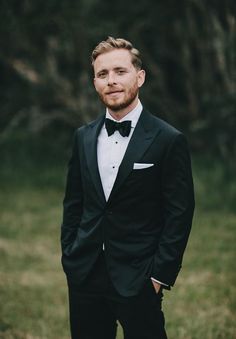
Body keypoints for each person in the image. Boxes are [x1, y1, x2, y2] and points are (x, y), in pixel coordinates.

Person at [61, 36, 195, 339]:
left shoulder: (168, 139)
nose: (111, 81)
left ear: (140, 76)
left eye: (120, 71)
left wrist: (160, 274)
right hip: (85, 271)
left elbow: (180, 212)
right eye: (102, 74)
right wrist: (70, 254)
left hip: (140, 275)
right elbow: (74, 203)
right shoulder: (83, 137)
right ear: (94, 82)